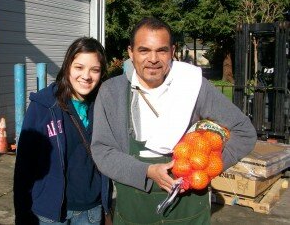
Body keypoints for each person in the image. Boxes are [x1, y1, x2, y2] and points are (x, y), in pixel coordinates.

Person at [91, 17, 257, 224]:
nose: (153, 59)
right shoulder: (112, 92)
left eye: (161, 50)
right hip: (134, 209)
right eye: (144, 50)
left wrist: (205, 167)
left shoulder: (193, 86)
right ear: (130, 52)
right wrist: (147, 171)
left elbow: (244, 132)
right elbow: (102, 151)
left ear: (172, 51)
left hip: (188, 210)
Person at [13, 37, 113, 225]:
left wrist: (107, 208)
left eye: (95, 70)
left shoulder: (104, 106)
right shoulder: (43, 106)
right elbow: (24, 167)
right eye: (79, 67)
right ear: (67, 67)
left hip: (91, 211)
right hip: (49, 214)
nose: (86, 76)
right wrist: (22, 214)